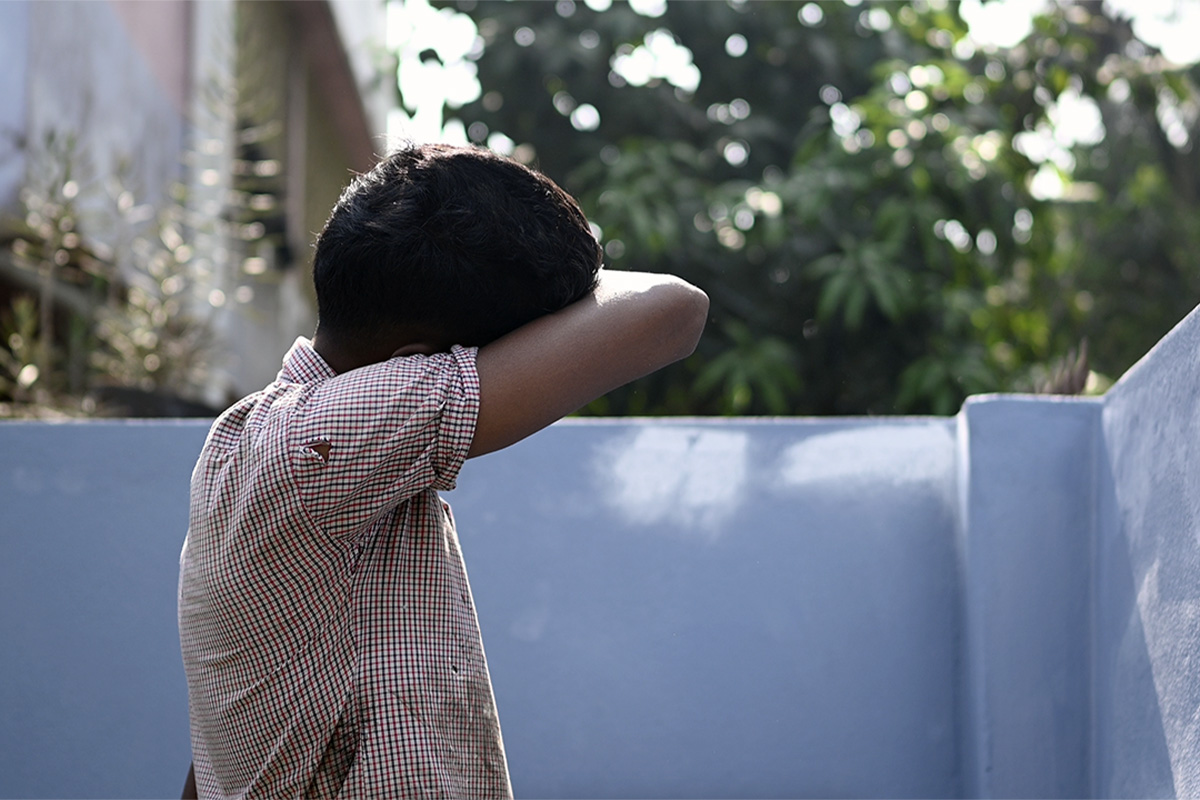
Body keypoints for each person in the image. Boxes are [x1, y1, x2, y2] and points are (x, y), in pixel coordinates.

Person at [178, 143, 709, 799]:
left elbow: (223, 734)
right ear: (411, 361)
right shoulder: (336, 430)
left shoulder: (247, 433)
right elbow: (675, 310)